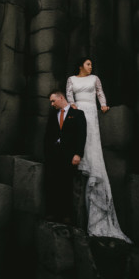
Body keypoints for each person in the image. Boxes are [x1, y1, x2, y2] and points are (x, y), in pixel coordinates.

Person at [67, 58, 131, 242]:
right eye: (87, 64)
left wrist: (103, 105)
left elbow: (100, 93)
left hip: (91, 110)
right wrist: (73, 107)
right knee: (80, 137)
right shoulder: (72, 79)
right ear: (80, 65)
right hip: (79, 110)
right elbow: (70, 96)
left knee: (92, 140)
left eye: (91, 64)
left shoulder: (95, 78)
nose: (90, 67)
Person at [43, 89, 87, 224]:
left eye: (53, 101)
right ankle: (53, 213)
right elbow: (47, 136)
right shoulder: (53, 115)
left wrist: (78, 154)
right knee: (52, 184)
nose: (52, 104)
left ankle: (67, 215)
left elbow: (81, 135)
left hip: (69, 156)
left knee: (67, 184)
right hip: (54, 156)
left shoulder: (77, 114)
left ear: (61, 98)